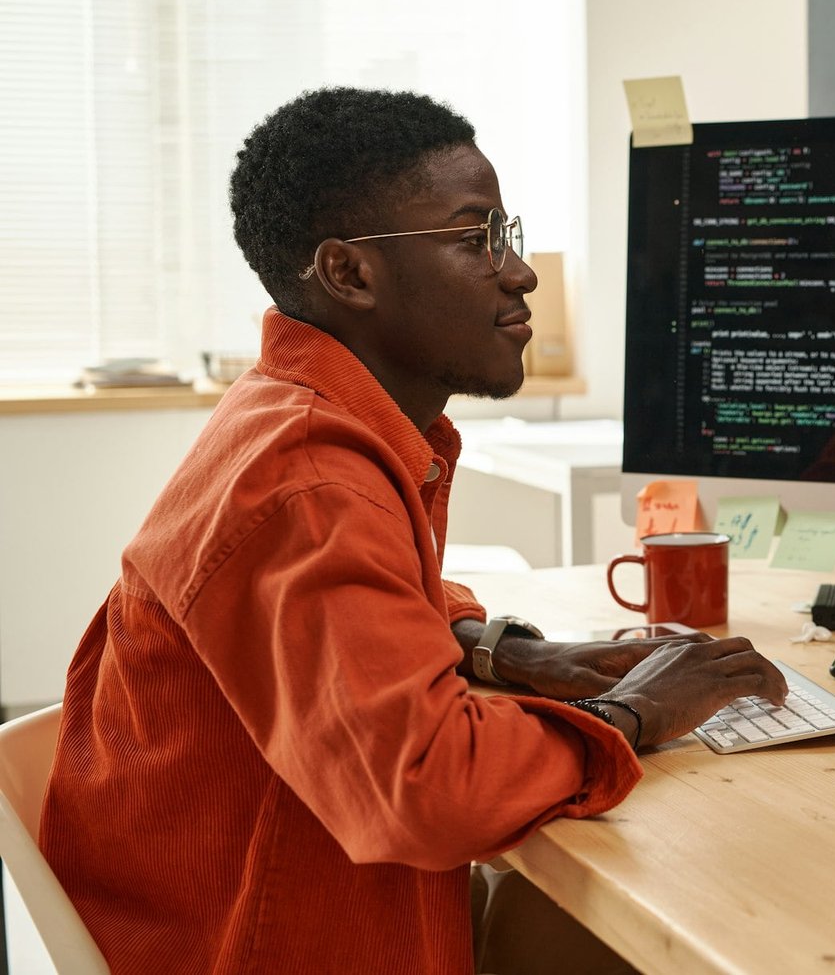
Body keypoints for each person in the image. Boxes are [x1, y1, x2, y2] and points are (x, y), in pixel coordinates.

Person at [39, 86, 787, 974]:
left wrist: (496, 648)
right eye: (475, 240)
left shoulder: (297, 417)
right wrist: (639, 712)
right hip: (262, 946)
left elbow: (380, 598)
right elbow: (431, 788)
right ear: (350, 273)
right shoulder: (310, 480)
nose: (521, 272)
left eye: (506, 234)